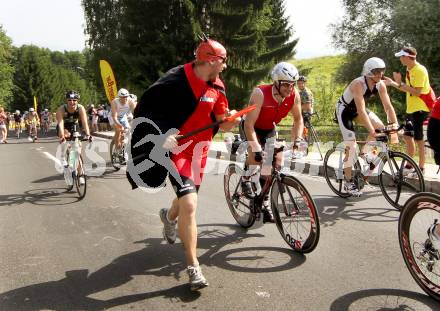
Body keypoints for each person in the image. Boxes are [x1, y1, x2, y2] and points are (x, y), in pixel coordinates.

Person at [127, 37, 238, 291]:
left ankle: (168, 218)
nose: (224, 67)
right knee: (190, 203)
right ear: (211, 60)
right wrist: (161, 134)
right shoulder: (175, 80)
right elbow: (147, 110)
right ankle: (193, 267)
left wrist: (231, 119)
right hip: (176, 151)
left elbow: (222, 123)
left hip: (199, 152)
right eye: (222, 62)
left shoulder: (218, 87)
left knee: (185, 200)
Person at [239, 62, 304, 222]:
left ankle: (263, 201)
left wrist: (298, 138)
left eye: (292, 85)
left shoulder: (294, 95)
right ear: (276, 81)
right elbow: (248, 124)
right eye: (286, 85)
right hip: (251, 126)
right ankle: (245, 178)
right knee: (257, 157)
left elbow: (298, 119)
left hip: (269, 128)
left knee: (274, 166)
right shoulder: (260, 93)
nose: (290, 89)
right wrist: (255, 148)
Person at [335, 57, 398, 196]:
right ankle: (348, 181)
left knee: (380, 127)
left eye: (382, 71)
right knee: (351, 146)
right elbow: (362, 111)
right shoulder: (358, 83)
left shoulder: (380, 84)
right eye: (377, 72)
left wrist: (394, 125)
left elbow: (388, 106)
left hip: (357, 110)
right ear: (369, 72)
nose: (380, 75)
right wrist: (372, 132)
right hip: (344, 111)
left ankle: (364, 153)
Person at [385, 46, 431, 176]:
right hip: (411, 109)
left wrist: (399, 83)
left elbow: (417, 92)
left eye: (401, 56)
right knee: (407, 136)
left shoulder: (420, 70)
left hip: (420, 109)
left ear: (407, 57)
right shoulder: (409, 69)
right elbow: (407, 89)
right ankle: (410, 165)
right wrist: (394, 83)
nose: (400, 59)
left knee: (419, 139)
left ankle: (421, 169)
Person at [56, 91, 91, 170]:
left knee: (77, 149)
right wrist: (62, 135)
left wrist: (88, 135)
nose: (72, 102)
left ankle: (80, 174)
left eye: (74, 100)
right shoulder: (61, 109)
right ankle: (62, 157)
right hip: (64, 126)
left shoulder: (80, 108)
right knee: (65, 136)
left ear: (77, 100)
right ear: (66, 100)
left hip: (74, 125)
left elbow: (85, 122)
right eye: (69, 100)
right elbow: (60, 124)